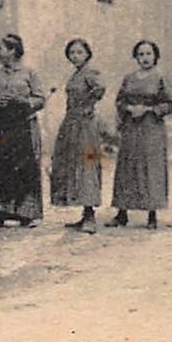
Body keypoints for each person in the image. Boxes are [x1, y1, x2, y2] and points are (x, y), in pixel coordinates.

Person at [0, 33, 48, 228]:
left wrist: (21, 101)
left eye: (1, 49)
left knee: (22, 166)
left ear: (12, 51)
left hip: (21, 127)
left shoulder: (29, 73)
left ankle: (25, 213)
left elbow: (40, 99)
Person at [108, 39, 172, 230]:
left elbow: (169, 104)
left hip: (151, 128)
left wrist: (148, 110)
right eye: (141, 54)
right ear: (136, 57)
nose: (145, 58)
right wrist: (129, 108)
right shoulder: (129, 78)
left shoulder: (160, 78)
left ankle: (151, 214)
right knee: (126, 167)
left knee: (150, 169)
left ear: (155, 56)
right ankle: (122, 213)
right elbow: (119, 100)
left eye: (148, 54)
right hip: (131, 127)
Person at [50, 37, 106, 234]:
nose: (75, 56)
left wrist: (87, 106)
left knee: (87, 165)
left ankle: (90, 217)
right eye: (72, 53)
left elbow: (99, 89)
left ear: (87, 54)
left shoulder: (90, 72)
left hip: (86, 126)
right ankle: (84, 213)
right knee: (74, 166)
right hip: (72, 124)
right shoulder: (76, 74)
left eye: (80, 52)